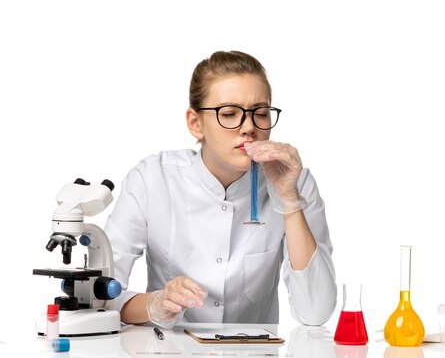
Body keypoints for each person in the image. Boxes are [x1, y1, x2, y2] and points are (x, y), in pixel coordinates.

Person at [104, 50, 336, 328]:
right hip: (168, 350)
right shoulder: (153, 179)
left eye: (260, 113)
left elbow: (316, 312)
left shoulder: (295, 181)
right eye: (229, 113)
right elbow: (101, 295)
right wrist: (155, 304)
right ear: (195, 123)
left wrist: (289, 202)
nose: (249, 127)